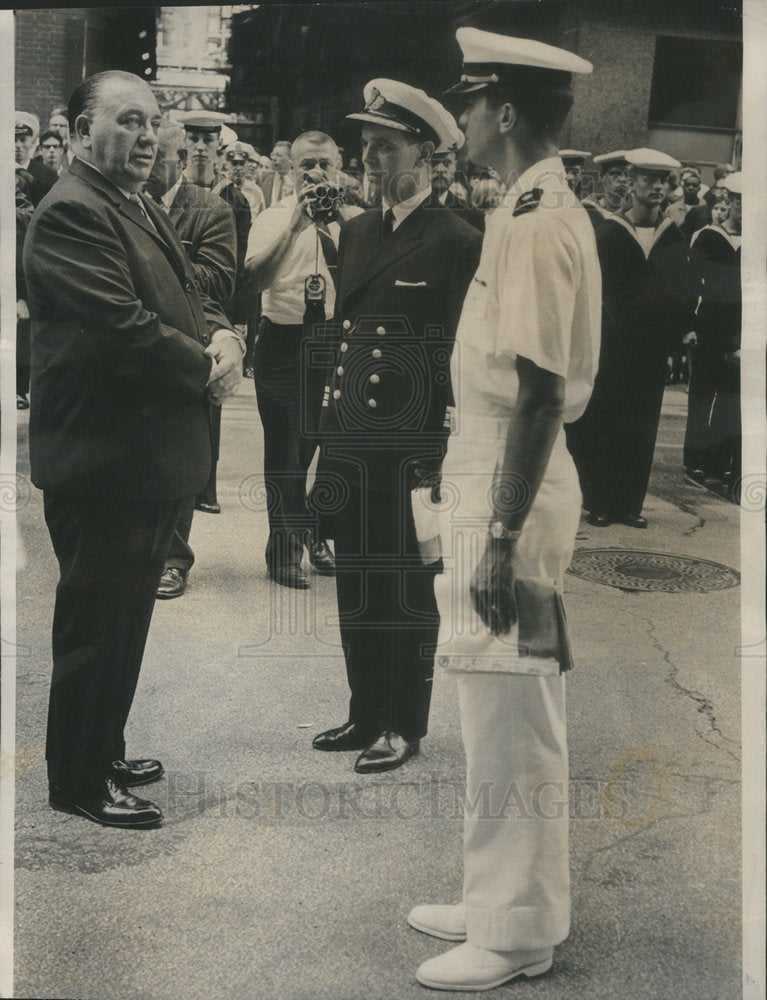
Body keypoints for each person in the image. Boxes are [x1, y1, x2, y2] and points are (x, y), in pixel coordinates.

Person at [405, 28, 600, 991]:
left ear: (507, 110)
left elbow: (537, 396)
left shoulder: (535, 220)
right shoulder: (523, 206)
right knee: (489, 703)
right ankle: (495, 899)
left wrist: (499, 535)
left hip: (509, 481)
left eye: (471, 99)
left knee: (513, 712)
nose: (463, 115)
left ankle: (518, 931)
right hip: (488, 463)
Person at [23, 70, 244, 829]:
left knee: (123, 620)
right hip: (104, 463)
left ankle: (102, 748)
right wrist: (206, 367)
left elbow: (185, 292)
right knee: (96, 625)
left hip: (140, 458)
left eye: (153, 122)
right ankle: (78, 779)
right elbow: (122, 327)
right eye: (127, 121)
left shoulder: (130, 200)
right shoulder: (72, 210)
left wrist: (222, 332)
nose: (147, 136)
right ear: (81, 131)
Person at [312, 79, 481, 773]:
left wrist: (444, 453)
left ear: (426, 155)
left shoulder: (458, 240)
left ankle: (403, 723)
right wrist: (326, 443)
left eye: (384, 146)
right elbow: (343, 341)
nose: (370, 160)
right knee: (355, 580)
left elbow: (461, 358)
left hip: (410, 446)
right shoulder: (354, 232)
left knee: (406, 591)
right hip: (352, 438)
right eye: (365, 147)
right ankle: (364, 710)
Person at [244, 131, 355, 588]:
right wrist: (294, 226)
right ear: (291, 170)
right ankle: (284, 552)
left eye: (324, 164)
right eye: (306, 165)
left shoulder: (354, 221)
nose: (315, 173)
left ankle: (315, 528)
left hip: (335, 339)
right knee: (286, 451)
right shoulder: (272, 218)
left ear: (339, 166)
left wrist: (342, 216)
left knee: (332, 447)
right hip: (285, 342)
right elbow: (254, 282)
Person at [565, 147, 695, 528]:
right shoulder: (609, 234)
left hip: (651, 349)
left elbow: (681, 290)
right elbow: (592, 292)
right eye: (648, 179)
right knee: (606, 421)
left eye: (663, 181)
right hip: (612, 345)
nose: (657, 187)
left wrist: (679, 333)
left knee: (642, 425)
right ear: (632, 182)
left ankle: (629, 504)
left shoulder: (674, 238)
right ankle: (599, 502)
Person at [144, 120, 238, 601]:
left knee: (179, 451)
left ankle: (173, 558)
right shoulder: (127, 202)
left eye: (157, 155)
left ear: (178, 159)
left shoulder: (210, 209)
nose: (147, 163)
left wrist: (155, 270)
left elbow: (220, 281)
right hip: (137, 341)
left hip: (187, 343)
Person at [180, 112, 253, 513]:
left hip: (215, 312)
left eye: (207, 141)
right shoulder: (171, 191)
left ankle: (206, 487)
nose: (200, 147)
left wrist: (238, 321)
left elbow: (238, 268)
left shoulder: (233, 199)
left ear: (219, 148)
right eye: (193, 139)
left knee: (213, 397)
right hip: (175, 311)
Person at [683, 172, 741, 496]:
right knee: (702, 394)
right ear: (728, 202)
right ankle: (695, 461)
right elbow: (691, 281)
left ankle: (720, 461)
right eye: (738, 202)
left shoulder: (756, 241)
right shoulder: (707, 237)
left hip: (740, 331)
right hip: (708, 325)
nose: (743, 209)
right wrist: (688, 325)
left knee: (731, 397)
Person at [429, 144, 485, 231]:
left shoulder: (473, 217)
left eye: (446, 163)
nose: (440, 169)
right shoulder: (410, 208)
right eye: (434, 163)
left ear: (455, 166)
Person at [15, 111, 58, 205]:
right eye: (14, 140)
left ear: (32, 143)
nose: (18, 145)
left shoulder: (48, 174)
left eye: (23, 140)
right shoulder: (3, 172)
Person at [582, 149, 629, 226]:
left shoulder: (635, 212)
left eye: (627, 174)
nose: (623, 179)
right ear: (602, 177)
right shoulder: (590, 210)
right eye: (616, 174)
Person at [260, 140, 295, 207]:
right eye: (272, 155)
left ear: (290, 159)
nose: (273, 158)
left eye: (278, 155)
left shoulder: (297, 180)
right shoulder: (264, 178)